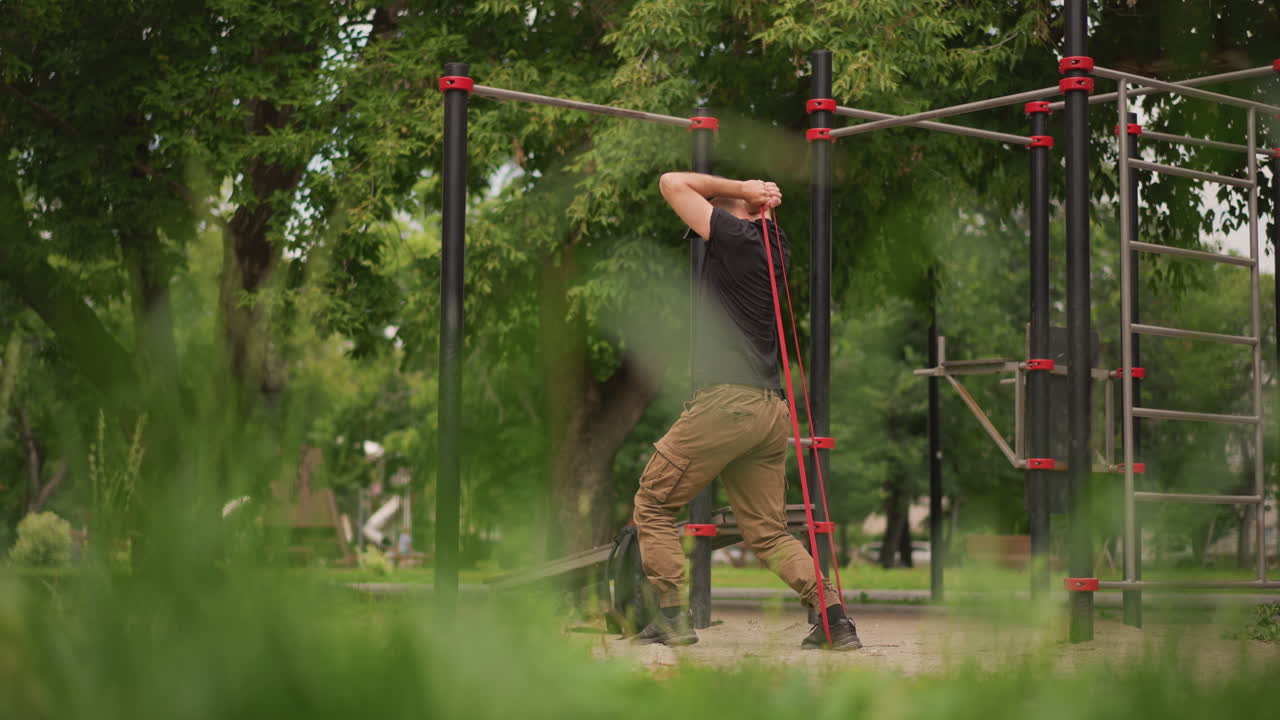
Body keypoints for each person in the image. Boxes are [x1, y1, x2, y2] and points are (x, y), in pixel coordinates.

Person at [629, 171, 861, 651]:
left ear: (745, 209)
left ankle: (671, 617)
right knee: (769, 533)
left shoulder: (738, 235)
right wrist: (746, 199)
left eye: (720, 205)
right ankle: (835, 619)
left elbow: (672, 182)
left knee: (652, 504)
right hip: (768, 409)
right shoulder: (775, 245)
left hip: (727, 404)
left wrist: (739, 188)